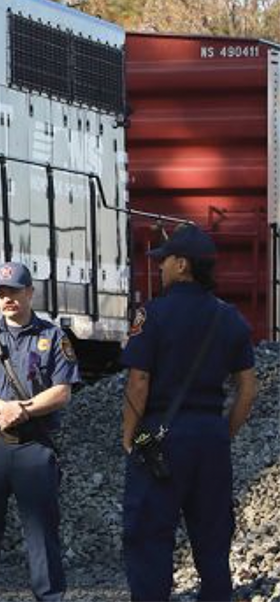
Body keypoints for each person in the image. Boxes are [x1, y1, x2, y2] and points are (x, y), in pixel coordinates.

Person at [121, 224, 257, 601]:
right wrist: (223, 432)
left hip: (161, 436)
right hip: (210, 438)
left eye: (164, 262)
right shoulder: (229, 318)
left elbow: (138, 382)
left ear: (182, 265)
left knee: (149, 538)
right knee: (213, 542)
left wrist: (129, 437)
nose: (160, 269)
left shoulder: (152, 314)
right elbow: (248, 387)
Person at [0, 261, 78, 601]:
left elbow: (62, 391)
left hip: (33, 447)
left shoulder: (53, 338)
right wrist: (4, 409)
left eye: (13, 291)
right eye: (1, 293)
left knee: (42, 536)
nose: (7, 299)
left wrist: (22, 410)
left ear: (30, 292)